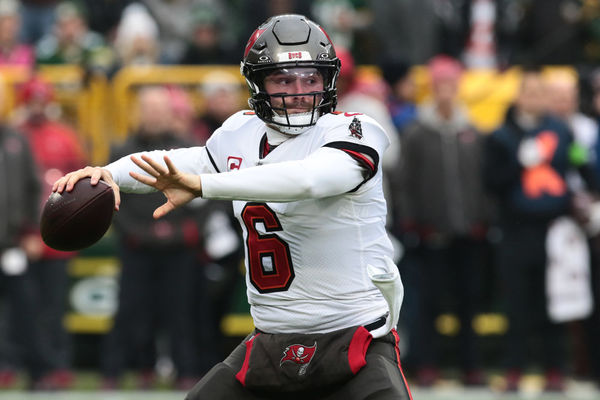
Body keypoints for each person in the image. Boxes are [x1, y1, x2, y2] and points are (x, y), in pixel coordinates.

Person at [53, 14, 411, 400]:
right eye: (283, 79)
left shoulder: (355, 130)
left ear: (329, 80)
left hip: (354, 338)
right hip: (272, 341)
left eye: (311, 78)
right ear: (257, 83)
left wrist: (207, 186)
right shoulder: (240, 134)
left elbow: (308, 180)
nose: (299, 92)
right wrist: (107, 174)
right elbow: (178, 162)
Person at [483, 66, 598, 392]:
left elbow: (581, 166)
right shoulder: (501, 135)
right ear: (519, 96)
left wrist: (591, 191)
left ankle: (554, 370)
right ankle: (514, 370)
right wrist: (518, 164)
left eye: (539, 93)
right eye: (529, 92)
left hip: (554, 230)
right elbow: (490, 183)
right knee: (517, 304)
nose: (535, 99)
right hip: (516, 230)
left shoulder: (562, 131)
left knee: (554, 302)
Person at [100, 86, 212, 390]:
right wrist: (139, 233)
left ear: (169, 111)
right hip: (137, 245)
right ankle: (123, 370)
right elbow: (111, 198)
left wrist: (185, 232)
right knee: (130, 309)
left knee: (182, 311)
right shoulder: (121, 149)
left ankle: (186, 370)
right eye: (148, 108)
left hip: (180, 246)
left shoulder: (188, 148)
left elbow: (207, 193)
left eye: (159, 108)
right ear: (138, 112)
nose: (153, 114)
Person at [14, 75, 87, 390]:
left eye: (42, 99)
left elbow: (84, 180)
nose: (38, 106)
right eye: (33, 100)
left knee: (54, 307)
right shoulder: (14, 138)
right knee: (20, 307)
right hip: (21, 236)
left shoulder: (65, 136)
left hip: (58, 235)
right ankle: (14, 362)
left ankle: (56, 364)